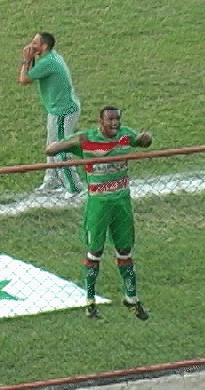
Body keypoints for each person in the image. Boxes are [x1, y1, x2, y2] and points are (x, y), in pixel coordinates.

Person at [45, 106, 152, 320]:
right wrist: (59, 146)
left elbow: (142, 142)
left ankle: (131, 298)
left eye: (117, 119)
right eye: (110, 120)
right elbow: (51, 150)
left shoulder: (125, 136)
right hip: (98, 204)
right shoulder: (86, 139)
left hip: (122, 201)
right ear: (100, 121)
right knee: (95, 251)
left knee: (125, 249)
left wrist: (145, 138)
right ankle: (90, 301)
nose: (115, 123)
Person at [18, 32, 83, 194]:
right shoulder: (51, 58)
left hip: (63, 111)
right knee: (51, 146)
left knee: (60, 149)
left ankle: (75, 188)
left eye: (35, 43)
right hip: (58, 110)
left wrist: (26, 59)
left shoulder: (48, 62)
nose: (31, 45)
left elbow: (24, 79)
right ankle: (53, 181)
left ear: (44, 46)